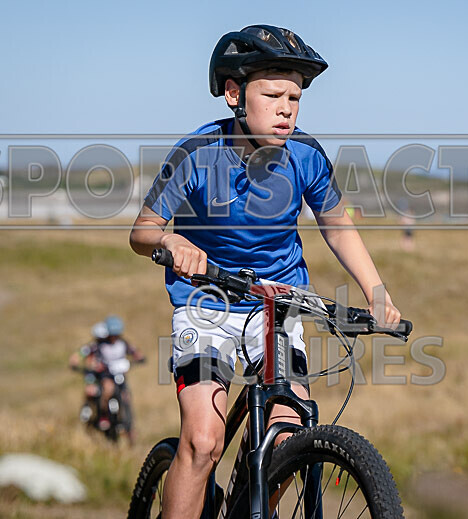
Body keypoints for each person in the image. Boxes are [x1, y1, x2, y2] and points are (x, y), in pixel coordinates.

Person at [129, 25, 401, 518]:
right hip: (206, 304)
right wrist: (171, 240)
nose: (286, 109)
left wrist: (376, 292)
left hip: (276, 304)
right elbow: (141, 231)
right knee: (204, 440)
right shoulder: (196, 154)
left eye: (295, 97)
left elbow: (337, 226)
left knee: (286, 436)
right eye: (272, 94)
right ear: (235, 94)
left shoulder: (307, 155)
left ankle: (250, 503)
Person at [68, 321, 111, 426]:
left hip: (106, 374)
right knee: (90, 390)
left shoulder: (109, 347)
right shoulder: (90, 347)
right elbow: (77, 356)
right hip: (92, 374)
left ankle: (105, 415)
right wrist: (75, 362)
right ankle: (87, 406)